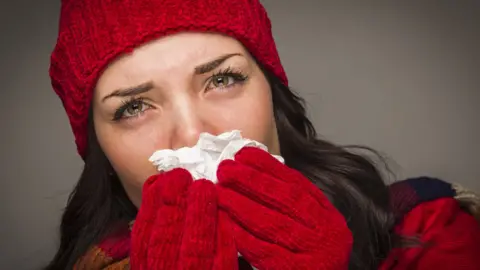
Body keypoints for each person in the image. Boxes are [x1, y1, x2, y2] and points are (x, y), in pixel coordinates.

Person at [45, 0, 480, 269]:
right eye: (134, 107)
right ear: (100, 148)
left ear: (272, 93)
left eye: (222, 79)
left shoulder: (429, 228)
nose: (193, 134)